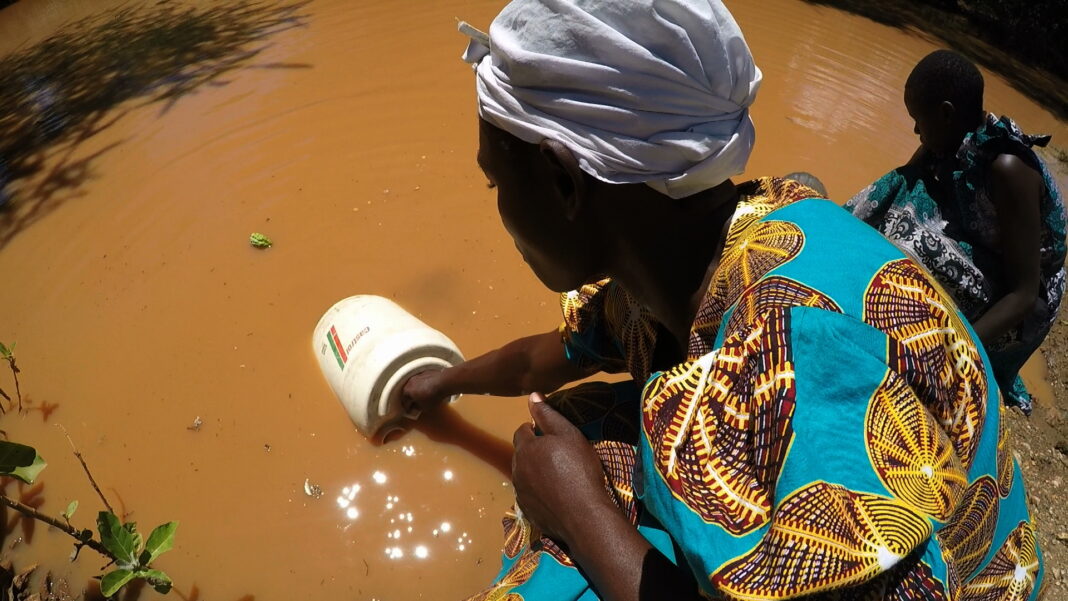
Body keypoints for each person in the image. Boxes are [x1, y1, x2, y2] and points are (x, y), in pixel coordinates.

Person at [404, 4, 1043, 600]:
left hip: (931, 578)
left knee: (552, 567)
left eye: (495, 181)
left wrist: (582, 515)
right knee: (587, 422)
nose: (497, 206)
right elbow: (542, 360)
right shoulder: (693, 245)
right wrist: (442, 384)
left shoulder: (795, 354)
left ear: (565, 184)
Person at [846, 49, 1066, 415]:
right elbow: (899, 184)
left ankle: (974, 354)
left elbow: (1024, 293)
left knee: (916, 245)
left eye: (918, 120)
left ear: (946, 113)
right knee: (901, 193)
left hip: (1026, 293)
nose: (916, 130)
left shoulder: (1008, 170)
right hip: (991, 244)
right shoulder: (951, 137)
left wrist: (951, 353)